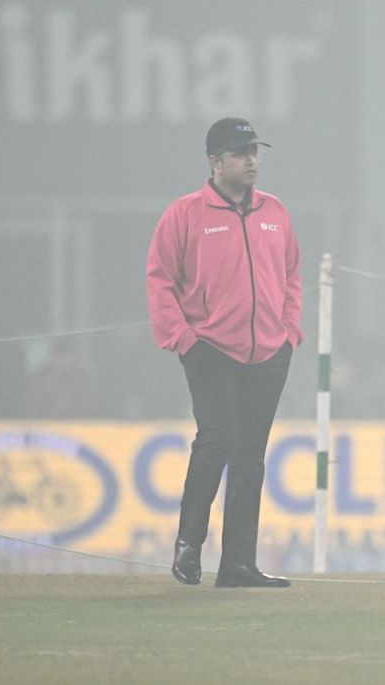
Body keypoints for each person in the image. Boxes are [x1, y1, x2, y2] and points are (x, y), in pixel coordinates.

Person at [146, 117, 303, 588]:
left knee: (251, 454)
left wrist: (290, 330)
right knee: (217, 440)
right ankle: (188, 546)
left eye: (255, 150)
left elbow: (292, 275)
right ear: (215, 162)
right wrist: (183, 338)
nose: (252, 159)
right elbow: (159, 279)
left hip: (269, 351)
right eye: (240, 152)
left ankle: (237, 565)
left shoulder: (275, 210)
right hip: (210, 349)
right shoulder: (185, 213)